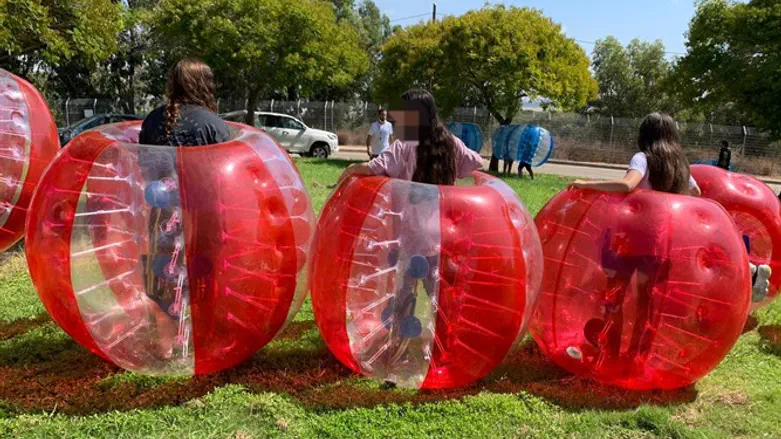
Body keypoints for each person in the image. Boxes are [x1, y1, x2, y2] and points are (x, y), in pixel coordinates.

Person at [338, 89, 483, 386]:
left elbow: (373, 168)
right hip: (442, 237)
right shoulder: (451, 144)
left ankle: (396, 356)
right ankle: (444, 354)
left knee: (404, 299)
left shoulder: (403, 147)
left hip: (410, 237)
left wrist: (349, 170)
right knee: (439, 299)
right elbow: (475, 163)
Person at [138, 58, 231, 361]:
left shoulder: (153, 120)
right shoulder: (213, 125)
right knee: (203, 273)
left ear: (173, 85)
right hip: (203, 213)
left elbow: (145, 168)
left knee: (163, 277)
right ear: (205, 85)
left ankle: (165, 346)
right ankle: (202, 338)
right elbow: (224, 176)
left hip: (163, 214)